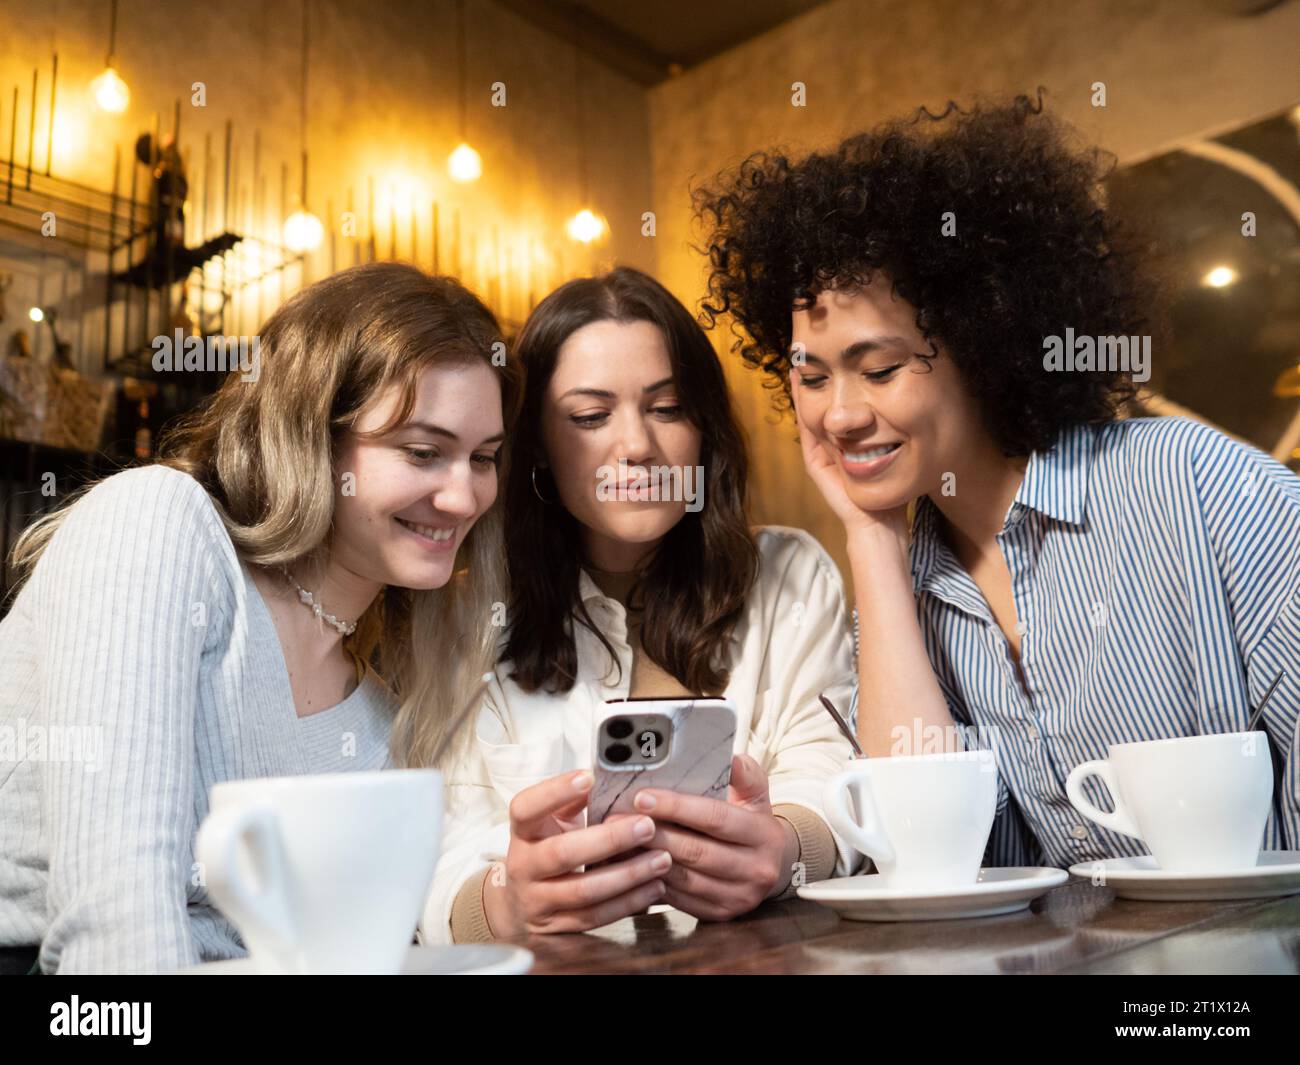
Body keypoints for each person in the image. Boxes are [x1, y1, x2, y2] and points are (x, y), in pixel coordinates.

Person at [693, 92, 1300, 869]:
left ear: (986, 343)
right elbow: (923, 856)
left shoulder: (1197, 487)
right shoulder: (902, 593)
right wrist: (871, 539)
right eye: (812, 377)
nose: (840, 415)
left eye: (879, 368)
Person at [0, 261, 516, 973]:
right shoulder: (158, 523)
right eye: (423, 452)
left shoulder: (381, 713)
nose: (463, 497)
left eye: (482, 458)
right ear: (311, 437)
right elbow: (109, 932)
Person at [421, 266, 856, 943]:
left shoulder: (787, 576)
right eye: (591, 417)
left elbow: (831, 775)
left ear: (704, 427)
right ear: (534, 444)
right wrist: (505, 905)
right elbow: (439, 850)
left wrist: (783, 851)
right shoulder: (460, 611)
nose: (637, 447)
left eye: (667, 407)